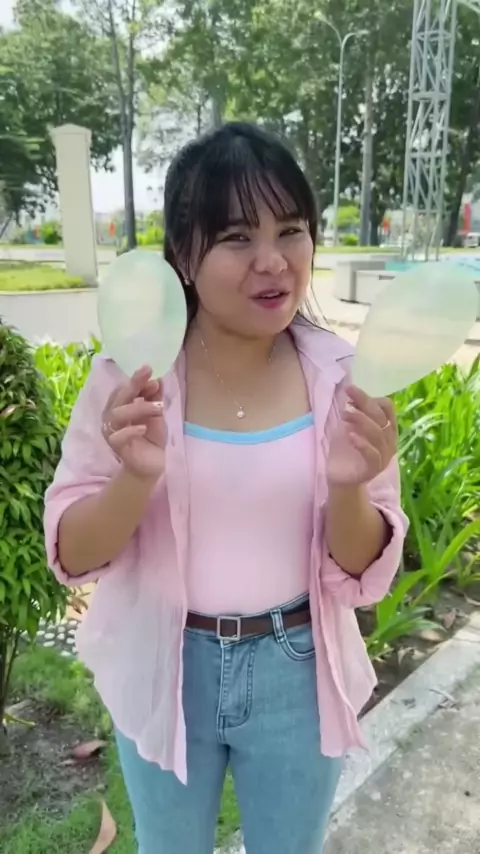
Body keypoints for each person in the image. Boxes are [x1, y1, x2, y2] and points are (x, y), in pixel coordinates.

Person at [44, 122, 408, 854]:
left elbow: (363, 570)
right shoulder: (129, 379)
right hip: (164, 658)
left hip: (298, 670)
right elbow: (72, 554)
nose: (273, 261)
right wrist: (134, 477)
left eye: (291, 231)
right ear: (184, 253)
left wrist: (348, 487)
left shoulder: (344, 379)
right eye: (238, 237)